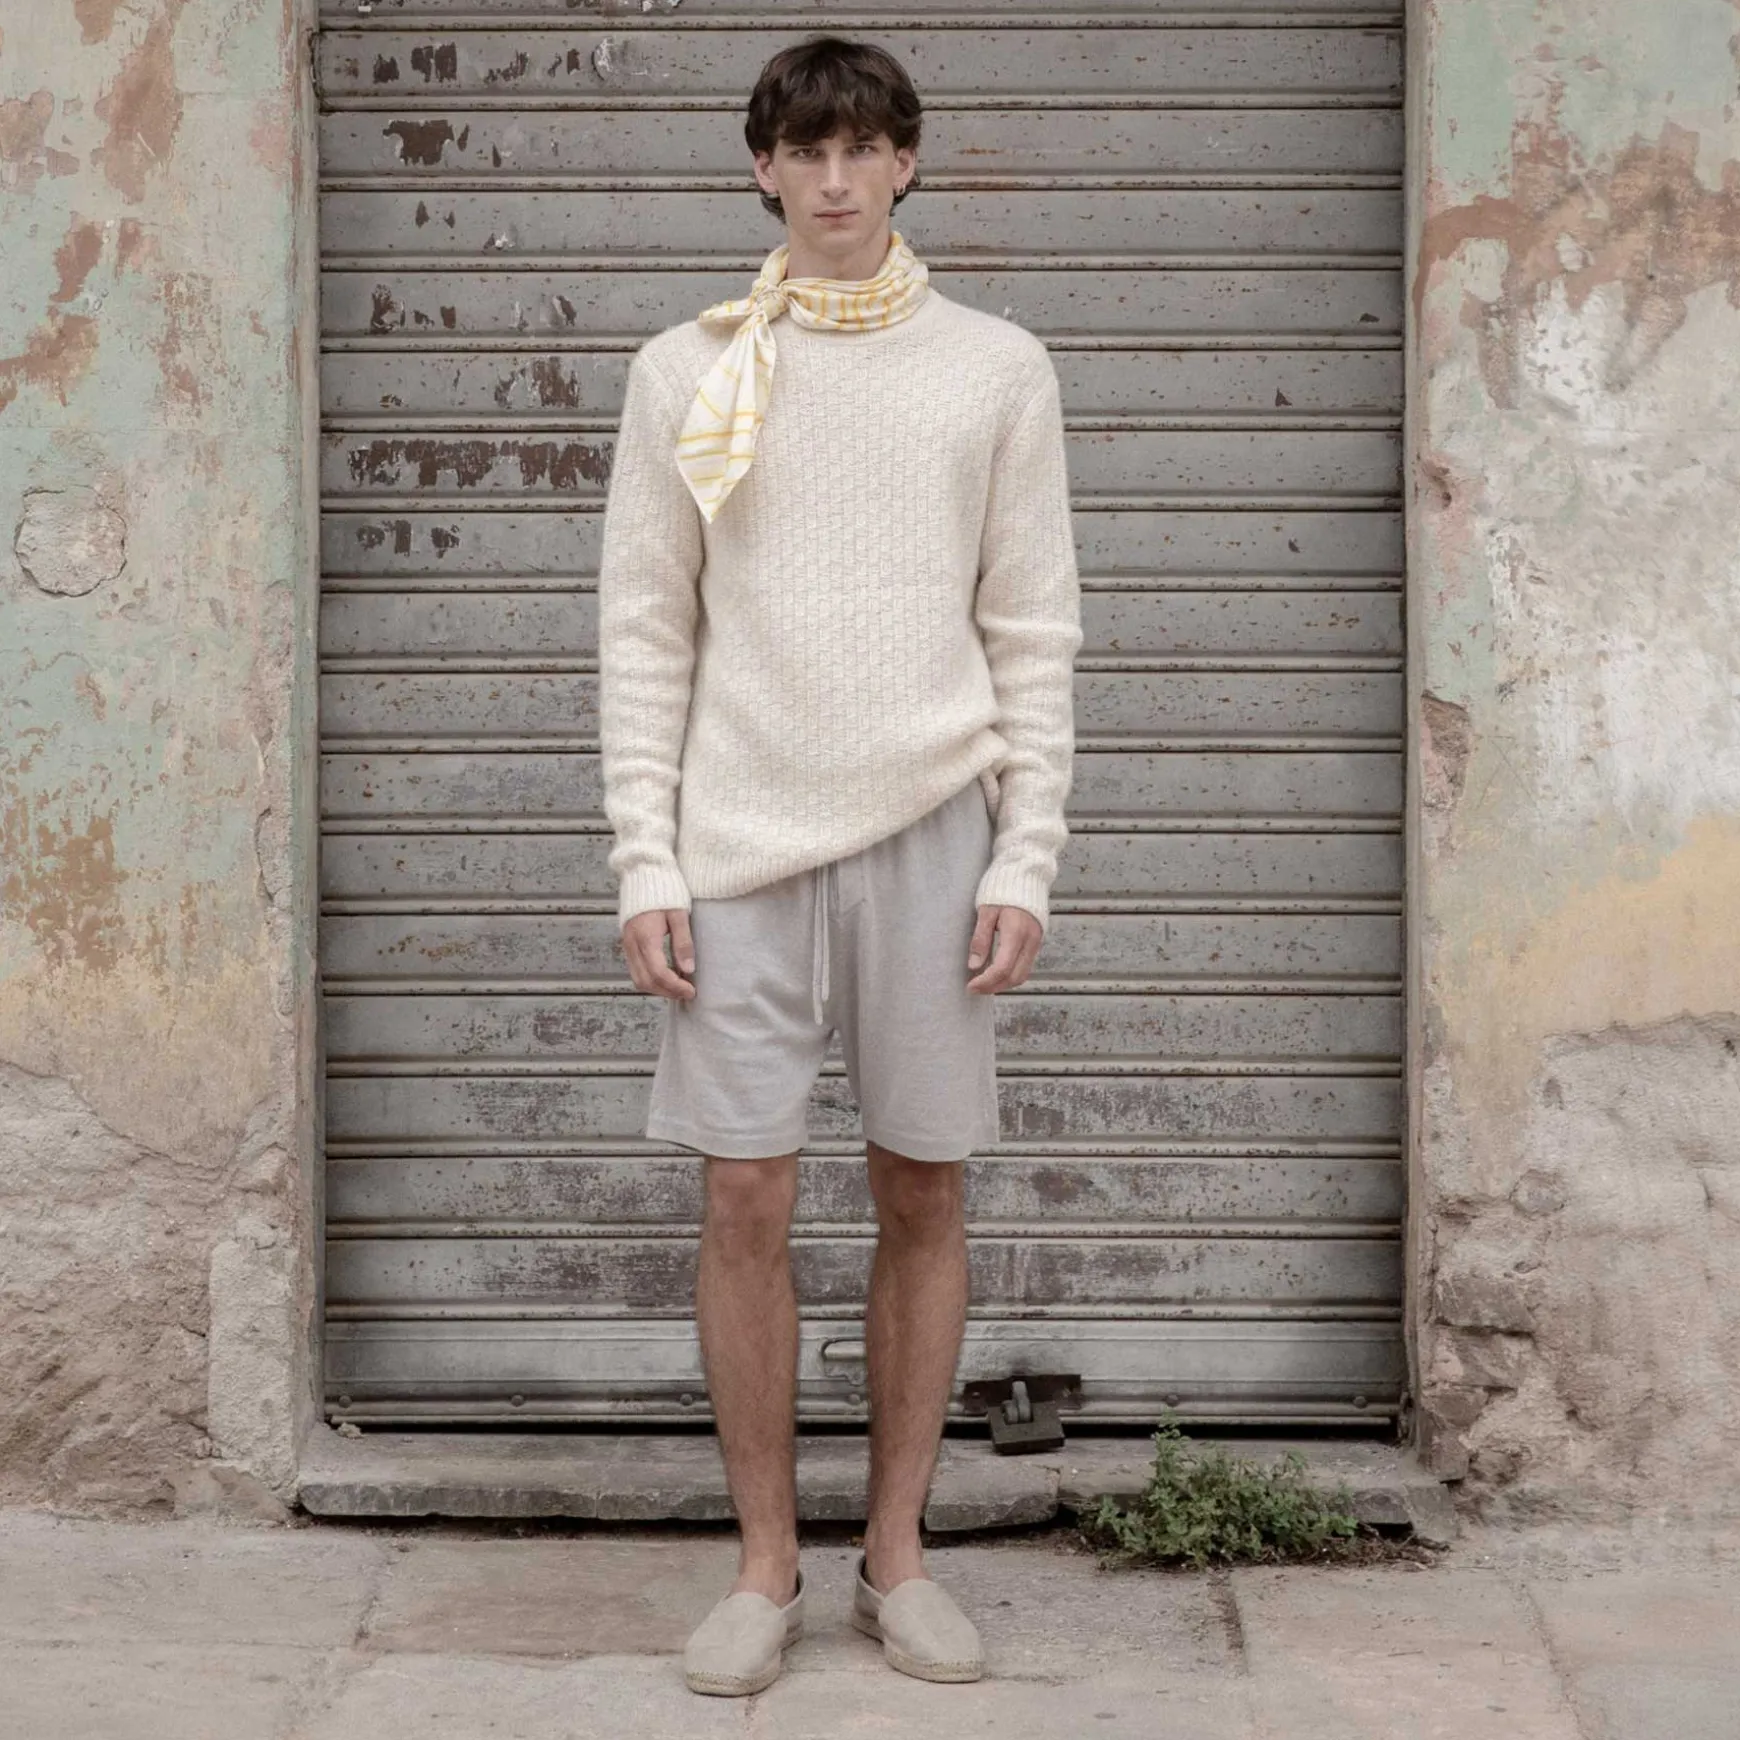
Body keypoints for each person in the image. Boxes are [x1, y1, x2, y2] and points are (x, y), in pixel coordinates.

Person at [597, 34, 1082, 1698]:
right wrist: (644, 858)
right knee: (743, 1195)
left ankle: (896, 1558)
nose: (833, 180)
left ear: (906, 163)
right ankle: (763, 1571)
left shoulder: (996, 368)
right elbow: (645, 630)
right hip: (737, 837)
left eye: (862, 148)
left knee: (922, 1187)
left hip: (935, 831)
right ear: (761, 169)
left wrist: (1028, 854)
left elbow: (1033, 628)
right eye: (803, 152)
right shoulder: (690, 370)